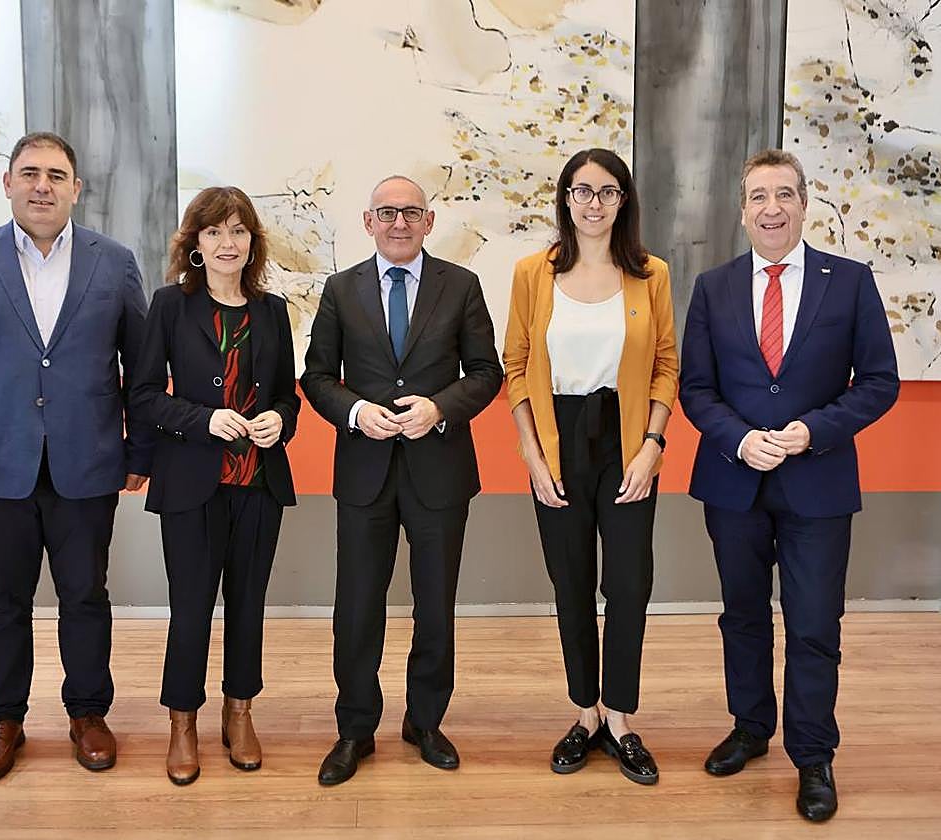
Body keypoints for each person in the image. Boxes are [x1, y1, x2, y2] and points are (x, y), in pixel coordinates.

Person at [0, 131, 152, 782]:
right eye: (31, 173)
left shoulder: (114, 261)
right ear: (9, 183)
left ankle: (88, 714)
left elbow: (142, 369)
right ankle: (2, 719)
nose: (43, 185)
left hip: (88, 462)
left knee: (86, 597)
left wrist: (141, 449)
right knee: (2, 602)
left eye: (57, 175)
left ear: (76, 189)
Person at [680, 149, 899, 822]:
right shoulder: (713, 287)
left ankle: (812, 755)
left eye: (783, 194)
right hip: (734, 481)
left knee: (813, 624)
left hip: (818, 481)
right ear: (742, 210)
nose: (771, 208)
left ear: (804, 204)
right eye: (758, 196)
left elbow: (880, 383)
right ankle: (750, 728)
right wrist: (740, 439)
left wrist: (812, 431)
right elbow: (696, 388)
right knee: (742, 616)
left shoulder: (850, 281)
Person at [301, 175, 502, 785]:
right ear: (368, 222)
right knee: (357, 606)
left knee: (435, 605)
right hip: (364, 471)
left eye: (411, 212)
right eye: (386, 212)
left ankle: (426, 721)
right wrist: (356, 412)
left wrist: (439, 408)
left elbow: (486, 372)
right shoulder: (341, 289)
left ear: (428, 222)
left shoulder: (460, 286)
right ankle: (355, 728)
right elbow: (316, 376)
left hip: (439, 469)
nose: (398, 223)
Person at [503, 148, 678, 784]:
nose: (594, 203)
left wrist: (653, 446)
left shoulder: (650, 273)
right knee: (571, 582)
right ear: (566, 199)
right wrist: (532, 455)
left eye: (607, 191)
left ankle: (621, 717)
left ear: (623, 200)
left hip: (628, 442)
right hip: (557, 442)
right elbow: (516, 366)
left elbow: (666, 364)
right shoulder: (533, 273)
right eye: (582, 191)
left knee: (628, 584)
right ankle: (586, 712)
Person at [129, 187, 299, 785]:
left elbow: (287, 396)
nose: (228, 243)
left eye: (239, 231)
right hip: (191, 484)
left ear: (252, 242)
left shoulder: (272, 311)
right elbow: (143, 395)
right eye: (214, 231)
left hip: (258, 483)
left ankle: (239, 712)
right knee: (191, 608)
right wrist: (201, 419)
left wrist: (279, 420)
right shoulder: (170, 306)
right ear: (195, 243)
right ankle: (182, 724)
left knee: (248, 605)